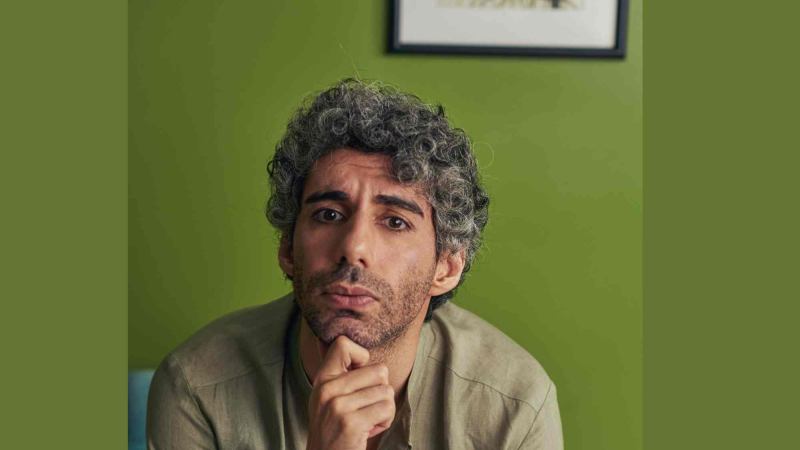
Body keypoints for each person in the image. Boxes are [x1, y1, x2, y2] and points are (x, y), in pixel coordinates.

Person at [146, 79, 563, 449]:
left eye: (395, 222)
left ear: (447, 267)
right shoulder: (198, 386)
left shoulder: (513, 403)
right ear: (288, 248)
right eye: (329, 214)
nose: (354, 247)